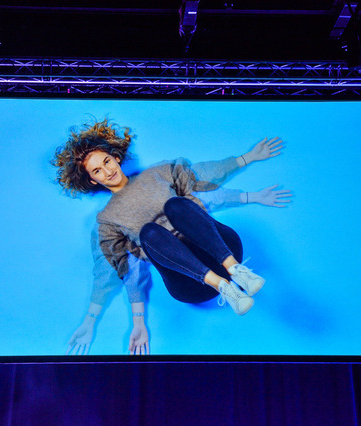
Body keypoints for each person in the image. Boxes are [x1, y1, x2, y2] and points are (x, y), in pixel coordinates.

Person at [54, 119, 291, 354]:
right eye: (97, 171)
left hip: (222, 249)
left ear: (115, 157)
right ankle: (224, 287)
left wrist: (248, 159)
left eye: (107, 161)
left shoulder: (158, 173)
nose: (107, 171)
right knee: (149, 232)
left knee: (176, 206)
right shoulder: (107, 219)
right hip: (190, 282)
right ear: (92, 179)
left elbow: (203, 179)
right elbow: (121, 270)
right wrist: (106, 322)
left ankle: (237, 271)